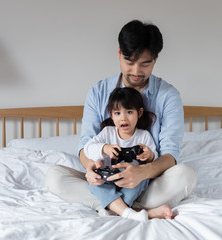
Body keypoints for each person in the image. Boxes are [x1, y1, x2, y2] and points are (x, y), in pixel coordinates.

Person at [45, 19, 196, 220]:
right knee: (54, 176)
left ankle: (111, 207)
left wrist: (143, 172)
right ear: (119, 53)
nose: (135, 71)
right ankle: (138, 211)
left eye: (145, 63)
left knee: (186, 176)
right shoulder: (98, 92)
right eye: (129, 61)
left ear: (156, 59)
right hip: (105, 179)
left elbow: (170, 154)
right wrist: (90, 168)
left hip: (147, 183)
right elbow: (86, 145)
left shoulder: (169, 96)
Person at [85, 87, 161, 221]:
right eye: (118, 113)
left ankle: (114, 210)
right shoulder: (108, 132)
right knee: (95, 184)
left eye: (129, 112)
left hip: (131, 180)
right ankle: (128, 212)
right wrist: (104, 148)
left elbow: (154, 158)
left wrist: (149, 155)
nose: (123, 118)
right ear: (111, 115)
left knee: (141, 181)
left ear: (139, 113)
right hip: (108, 178)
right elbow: (88, 148)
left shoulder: (144, 136)